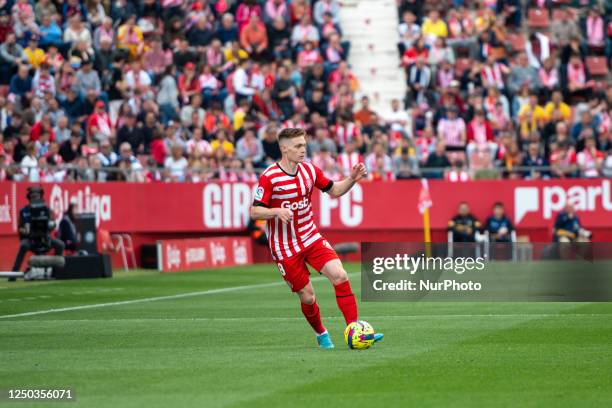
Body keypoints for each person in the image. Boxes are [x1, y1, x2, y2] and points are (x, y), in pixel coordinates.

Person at [250, 128, 383, 349]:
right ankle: (321, 334)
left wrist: (352, 179)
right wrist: (275, 212)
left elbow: (335, 190)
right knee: (308, 296)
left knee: (340, 275)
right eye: (298, 146)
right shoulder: (269, 177)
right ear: (284, 148)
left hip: (310, 236)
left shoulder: (310, 171)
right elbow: (255, 211)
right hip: (285, 247)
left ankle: (355, 331)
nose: (303, 150)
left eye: (304, 145)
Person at [11, 186, 65, 275]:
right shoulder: (24, 211)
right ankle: (13, 274)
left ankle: (57, 272)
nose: (34, 198)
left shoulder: (47, 210)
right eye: (32, 197)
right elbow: (20, 228)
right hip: (30, 239)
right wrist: (25, 230)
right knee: (23, 245)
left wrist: (51, 225)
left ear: (40, 197)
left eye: (37, 196)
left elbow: (53, 224)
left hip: (45, 238)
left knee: (60, 245)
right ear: (29, 198)